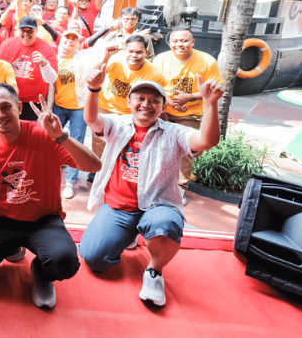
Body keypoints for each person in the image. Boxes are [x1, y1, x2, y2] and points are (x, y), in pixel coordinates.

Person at [79, 69, 224, 307]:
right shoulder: (118, 124)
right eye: (140, 98)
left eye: (154, 100)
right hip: (118, 208)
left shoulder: (173, 132)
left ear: (163, 106)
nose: (146, 104)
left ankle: (154, 272)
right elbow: (92, 119)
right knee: (93, 257)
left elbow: (207, 141)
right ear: (129, 102)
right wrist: (94, 89)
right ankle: (128, 235)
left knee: (164, 224)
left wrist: (210, 104)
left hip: (158, 205)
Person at [0, 83, 102, 309]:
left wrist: (60, 136)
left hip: (43, 221)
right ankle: (12, 246)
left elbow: (94, 165)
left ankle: (41, 273)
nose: (0, 114)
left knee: (64, 262)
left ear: (18, 107)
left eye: (6, 107)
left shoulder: (44, 134)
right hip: (2, 219)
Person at [153, 26, 223, 190]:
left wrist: (189, 97)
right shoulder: (160, 59)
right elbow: (155, 86)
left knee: (185, 149)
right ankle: (157, 182)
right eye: (175, 41)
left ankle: (180, 187)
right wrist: (169, 101)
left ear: (193, 42)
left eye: (184, 41)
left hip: (191, 113)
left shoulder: (207, 61)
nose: (179, 44)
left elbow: (214, 90)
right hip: (163, 110)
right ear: (169, 42)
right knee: (158, 146)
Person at [89, 36, 167, 170]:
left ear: (146, 52)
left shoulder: (154, 74)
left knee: (124, 144)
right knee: (99, 141)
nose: (134, 55)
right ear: (124, 50)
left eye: (139, 52)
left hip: (128, 114)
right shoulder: (115, 60)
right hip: (105, 107)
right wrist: (106, 56)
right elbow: (94, 73)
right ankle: (97, 170)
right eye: (130, 51)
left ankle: (118, 171)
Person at [53, 29, 92, 199]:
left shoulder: (82, 57)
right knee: (50, 139)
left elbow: (93, 44)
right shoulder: (54, 58)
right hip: (58, 105)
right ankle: (48, 172)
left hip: (79, 108)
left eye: (74, 39)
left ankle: (70, 182)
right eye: (67, 37)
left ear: (78, 43)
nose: (69, 41)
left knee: (76, 144)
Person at [0, 15, 58, 121]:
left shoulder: (46, 49)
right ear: (18, 30)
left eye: (30, 31)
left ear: (36, 31)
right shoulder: (6, 45)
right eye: (23, 30)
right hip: (9, 97)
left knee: (27, 129)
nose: (26, 34)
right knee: (8, 128)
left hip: (33, 101)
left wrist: (44, 64)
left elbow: (51, 79)